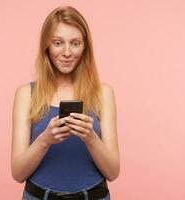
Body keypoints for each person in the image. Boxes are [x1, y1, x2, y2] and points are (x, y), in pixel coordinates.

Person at [11, 6, 120, 200]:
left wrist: (91, 138)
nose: (67, 52)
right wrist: (45, 140)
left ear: (85, 46)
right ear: (47, 45)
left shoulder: (103, 94)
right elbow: (18, 173)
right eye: (58, 43)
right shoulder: (26, 94)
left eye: (75, 43)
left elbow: (113, 172)